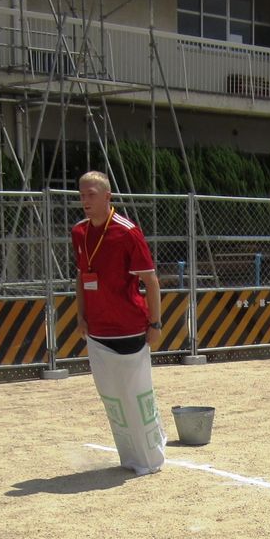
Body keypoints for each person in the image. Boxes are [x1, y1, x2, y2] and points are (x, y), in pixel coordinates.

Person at [72, 170, 166, 475]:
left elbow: (151, 281)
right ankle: (130, 457)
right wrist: (81, 316)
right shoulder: (79, 232)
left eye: (91, 194)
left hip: (129, 328)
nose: (85, 200)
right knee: (112, 399)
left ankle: (151, 458)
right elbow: (81, 277)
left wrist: (156, 324)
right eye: (82, 195)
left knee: (137, 397)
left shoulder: (127, 232)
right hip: (98, 330)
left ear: (107, 196)